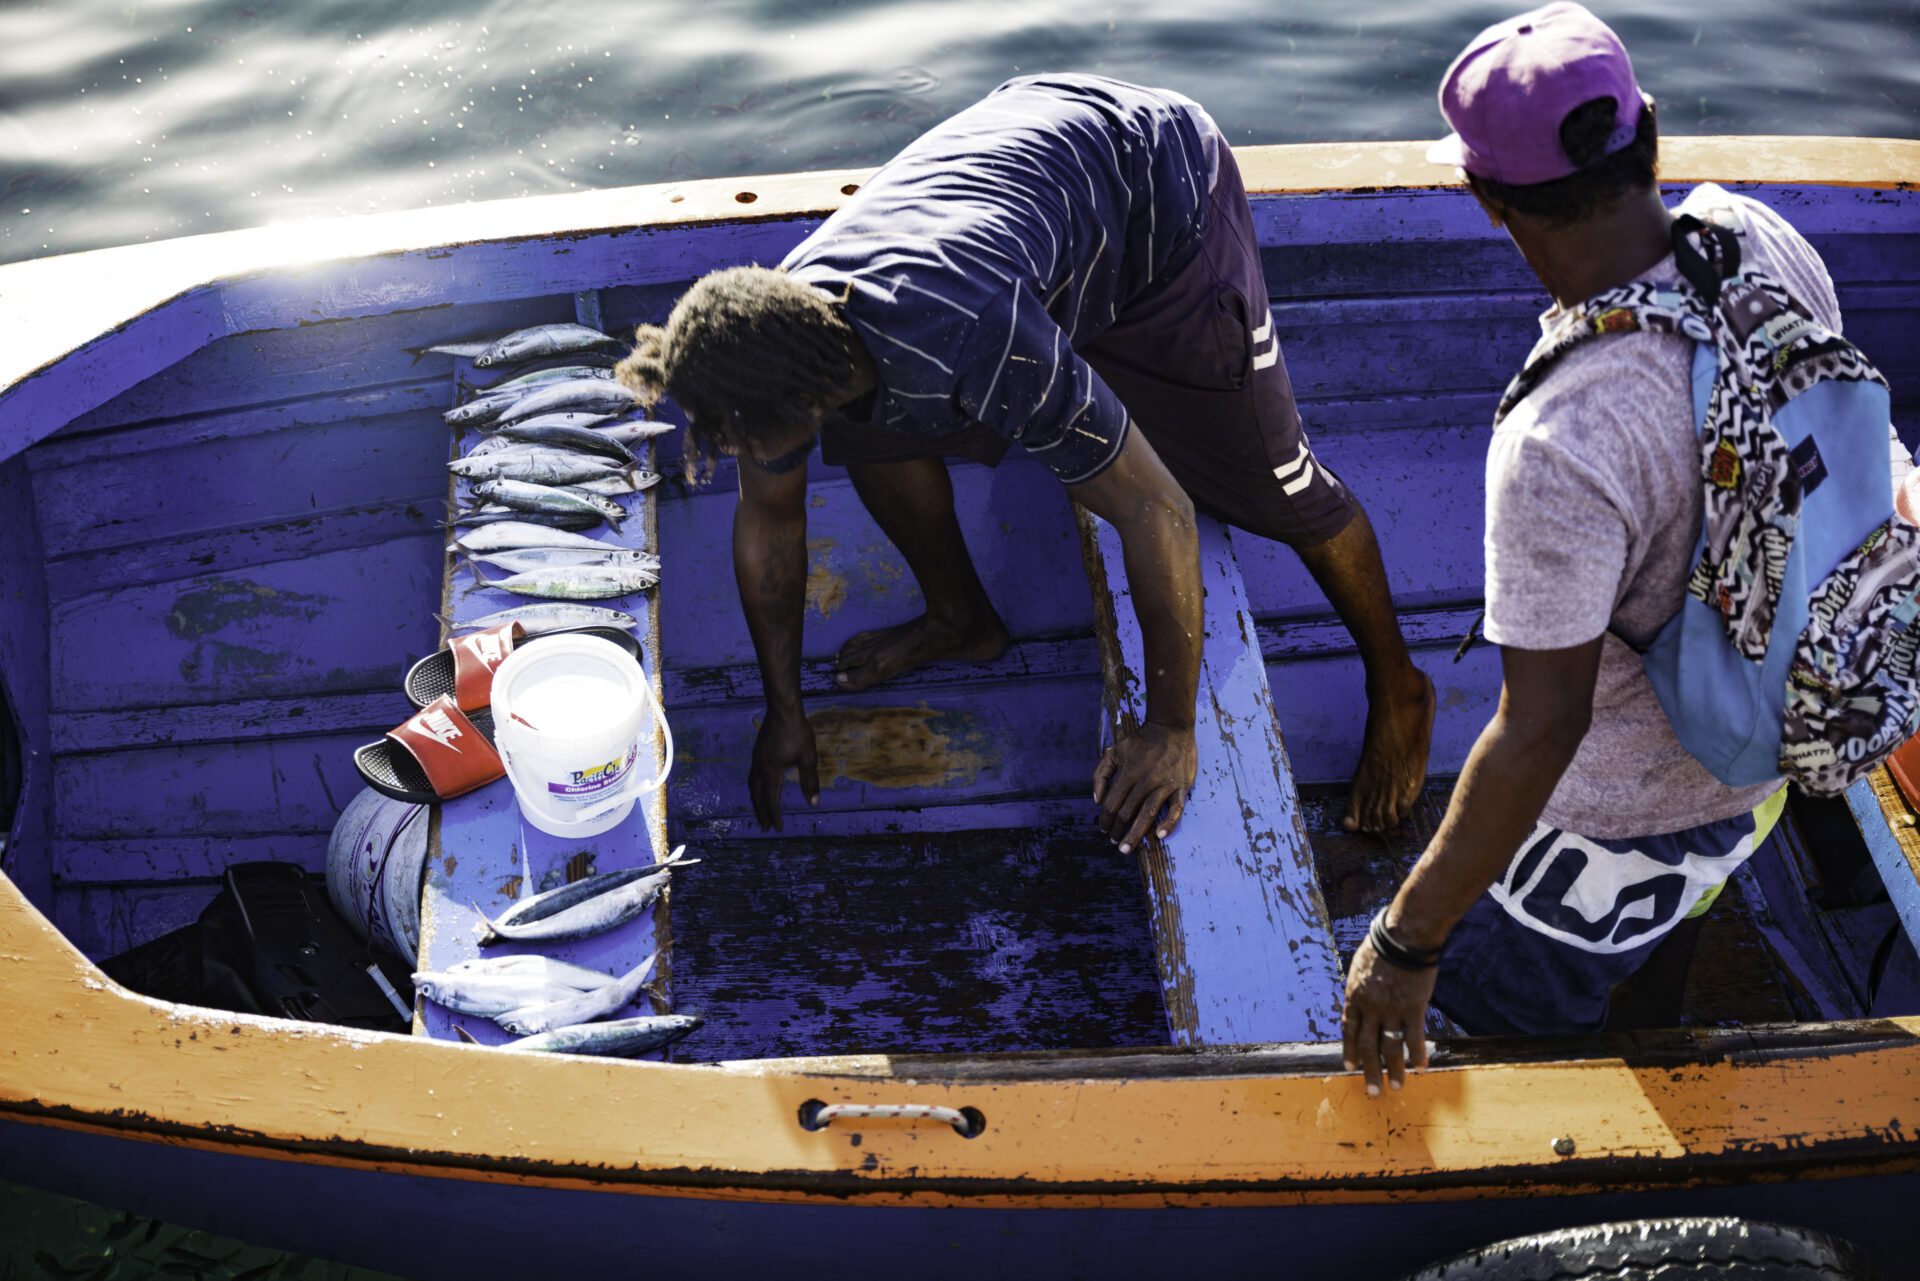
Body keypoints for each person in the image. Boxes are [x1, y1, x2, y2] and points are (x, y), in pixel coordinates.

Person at [616, 74, 1435, 844]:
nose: (747, 455)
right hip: (1033, 196)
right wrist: (783, 707)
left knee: (1277, 490)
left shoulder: (976, 334)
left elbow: (1159, 511)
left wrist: (1170, 730)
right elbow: (770, 515)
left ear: (794, 396)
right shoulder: (786, 330)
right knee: (867, 429)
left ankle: (1399, 686)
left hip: (1161, 194)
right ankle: (961, 620)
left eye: (750, 440)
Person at [1341, 2, 1876, 1094]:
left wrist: (1406, 943)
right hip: (1774, 752)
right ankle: (1651, 1029)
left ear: (1488, 200)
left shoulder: (1565, 438)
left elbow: (1543, 727)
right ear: (1653, 133)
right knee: (1665, 940)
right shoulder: (1758, 238)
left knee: (1494, 1019)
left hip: (1623, 827)